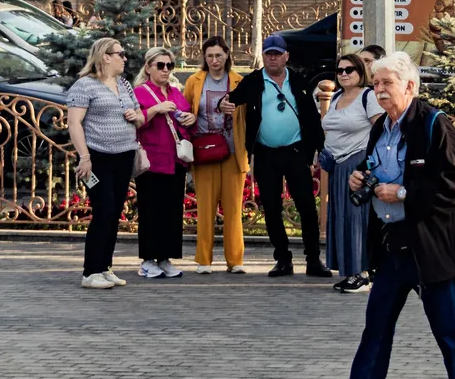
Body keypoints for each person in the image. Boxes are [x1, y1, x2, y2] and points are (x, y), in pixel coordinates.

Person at [317, 52, 455, 379]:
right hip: (392, 246)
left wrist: (404, 192)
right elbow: (374, 169)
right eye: (376, 83)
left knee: (449, 331)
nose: (380, 90)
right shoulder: (382, 127)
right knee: (376, 326)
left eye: (387, 83)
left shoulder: (434, 124)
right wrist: (361, 179)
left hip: (430, 246)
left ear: (410, 85)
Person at [221, 34, 330, 278]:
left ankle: (313, 259)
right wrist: (223, 105)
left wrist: (318, 150)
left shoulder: (299, 80)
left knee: (306, 208)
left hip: (295, 152)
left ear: (286, 56)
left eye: (277, 54)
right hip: (266, 153)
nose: (272, 58)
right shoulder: (254, 81)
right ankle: (283, 259)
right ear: (264, 56)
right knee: (271, 208)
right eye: (268, 54)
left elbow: (312, 119)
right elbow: (230, 99)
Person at [66, 37, 144, 291]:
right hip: (97, 159)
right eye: (120, 54)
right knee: (104, 211)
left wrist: (137, 116)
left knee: (114, 213)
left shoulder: (123, 84)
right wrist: (84, 157)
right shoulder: (84, 86)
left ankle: (105, 267)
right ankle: (90, 271)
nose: (125, 58)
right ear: (105, 56)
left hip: (123, 156)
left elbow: (141, 116)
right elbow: (74, 123)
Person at [182, 36, 248, 273]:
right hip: (204, 150)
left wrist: (236, 108)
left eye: (219, 55)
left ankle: (235, 260)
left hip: (232, 151)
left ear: (227, 55)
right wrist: (187, 118)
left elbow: (249, 114)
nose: (214, 60)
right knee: (206, 208)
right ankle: (204, 260)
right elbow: (185, 109)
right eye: (209, 55)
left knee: (233, 208)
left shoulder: (239, 81)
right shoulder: (194, 80)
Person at [132, 46, 195, 279]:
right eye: (160, 65)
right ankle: (148, 260)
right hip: (152, 161)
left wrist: (190, 118)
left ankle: (166, 259)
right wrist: (156, 109)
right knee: (152, 211)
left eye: (170, 65)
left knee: (171, 212)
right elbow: (137, 122)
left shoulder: (175, 92)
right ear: (148, 67)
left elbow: (185, 119)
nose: (166, 69)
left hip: (175, 161)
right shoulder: (140, 92)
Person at [321, 54, 382, 293]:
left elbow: (380, 130)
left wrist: (370, 165)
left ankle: (362, 273)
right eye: (339, 70)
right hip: (336, 165)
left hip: (357, 164)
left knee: (356, 219)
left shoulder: (368, 97)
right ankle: (349, 270)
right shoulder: (335, 96)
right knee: (340, 218)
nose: (344, 74)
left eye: (350, 70)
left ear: (360, 72)